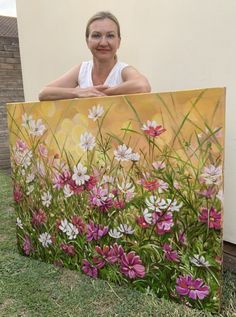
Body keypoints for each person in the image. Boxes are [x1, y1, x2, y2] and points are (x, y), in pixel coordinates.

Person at [38, 11, 151, 101]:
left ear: (119, 42)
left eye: (110, 36)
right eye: (96, 36)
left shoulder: (123, 70)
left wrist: (98, 93)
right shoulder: (82, 70)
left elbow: (142, 86)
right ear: (87, 41)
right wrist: (79, 92)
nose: (103, 42)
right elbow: (44, 93)